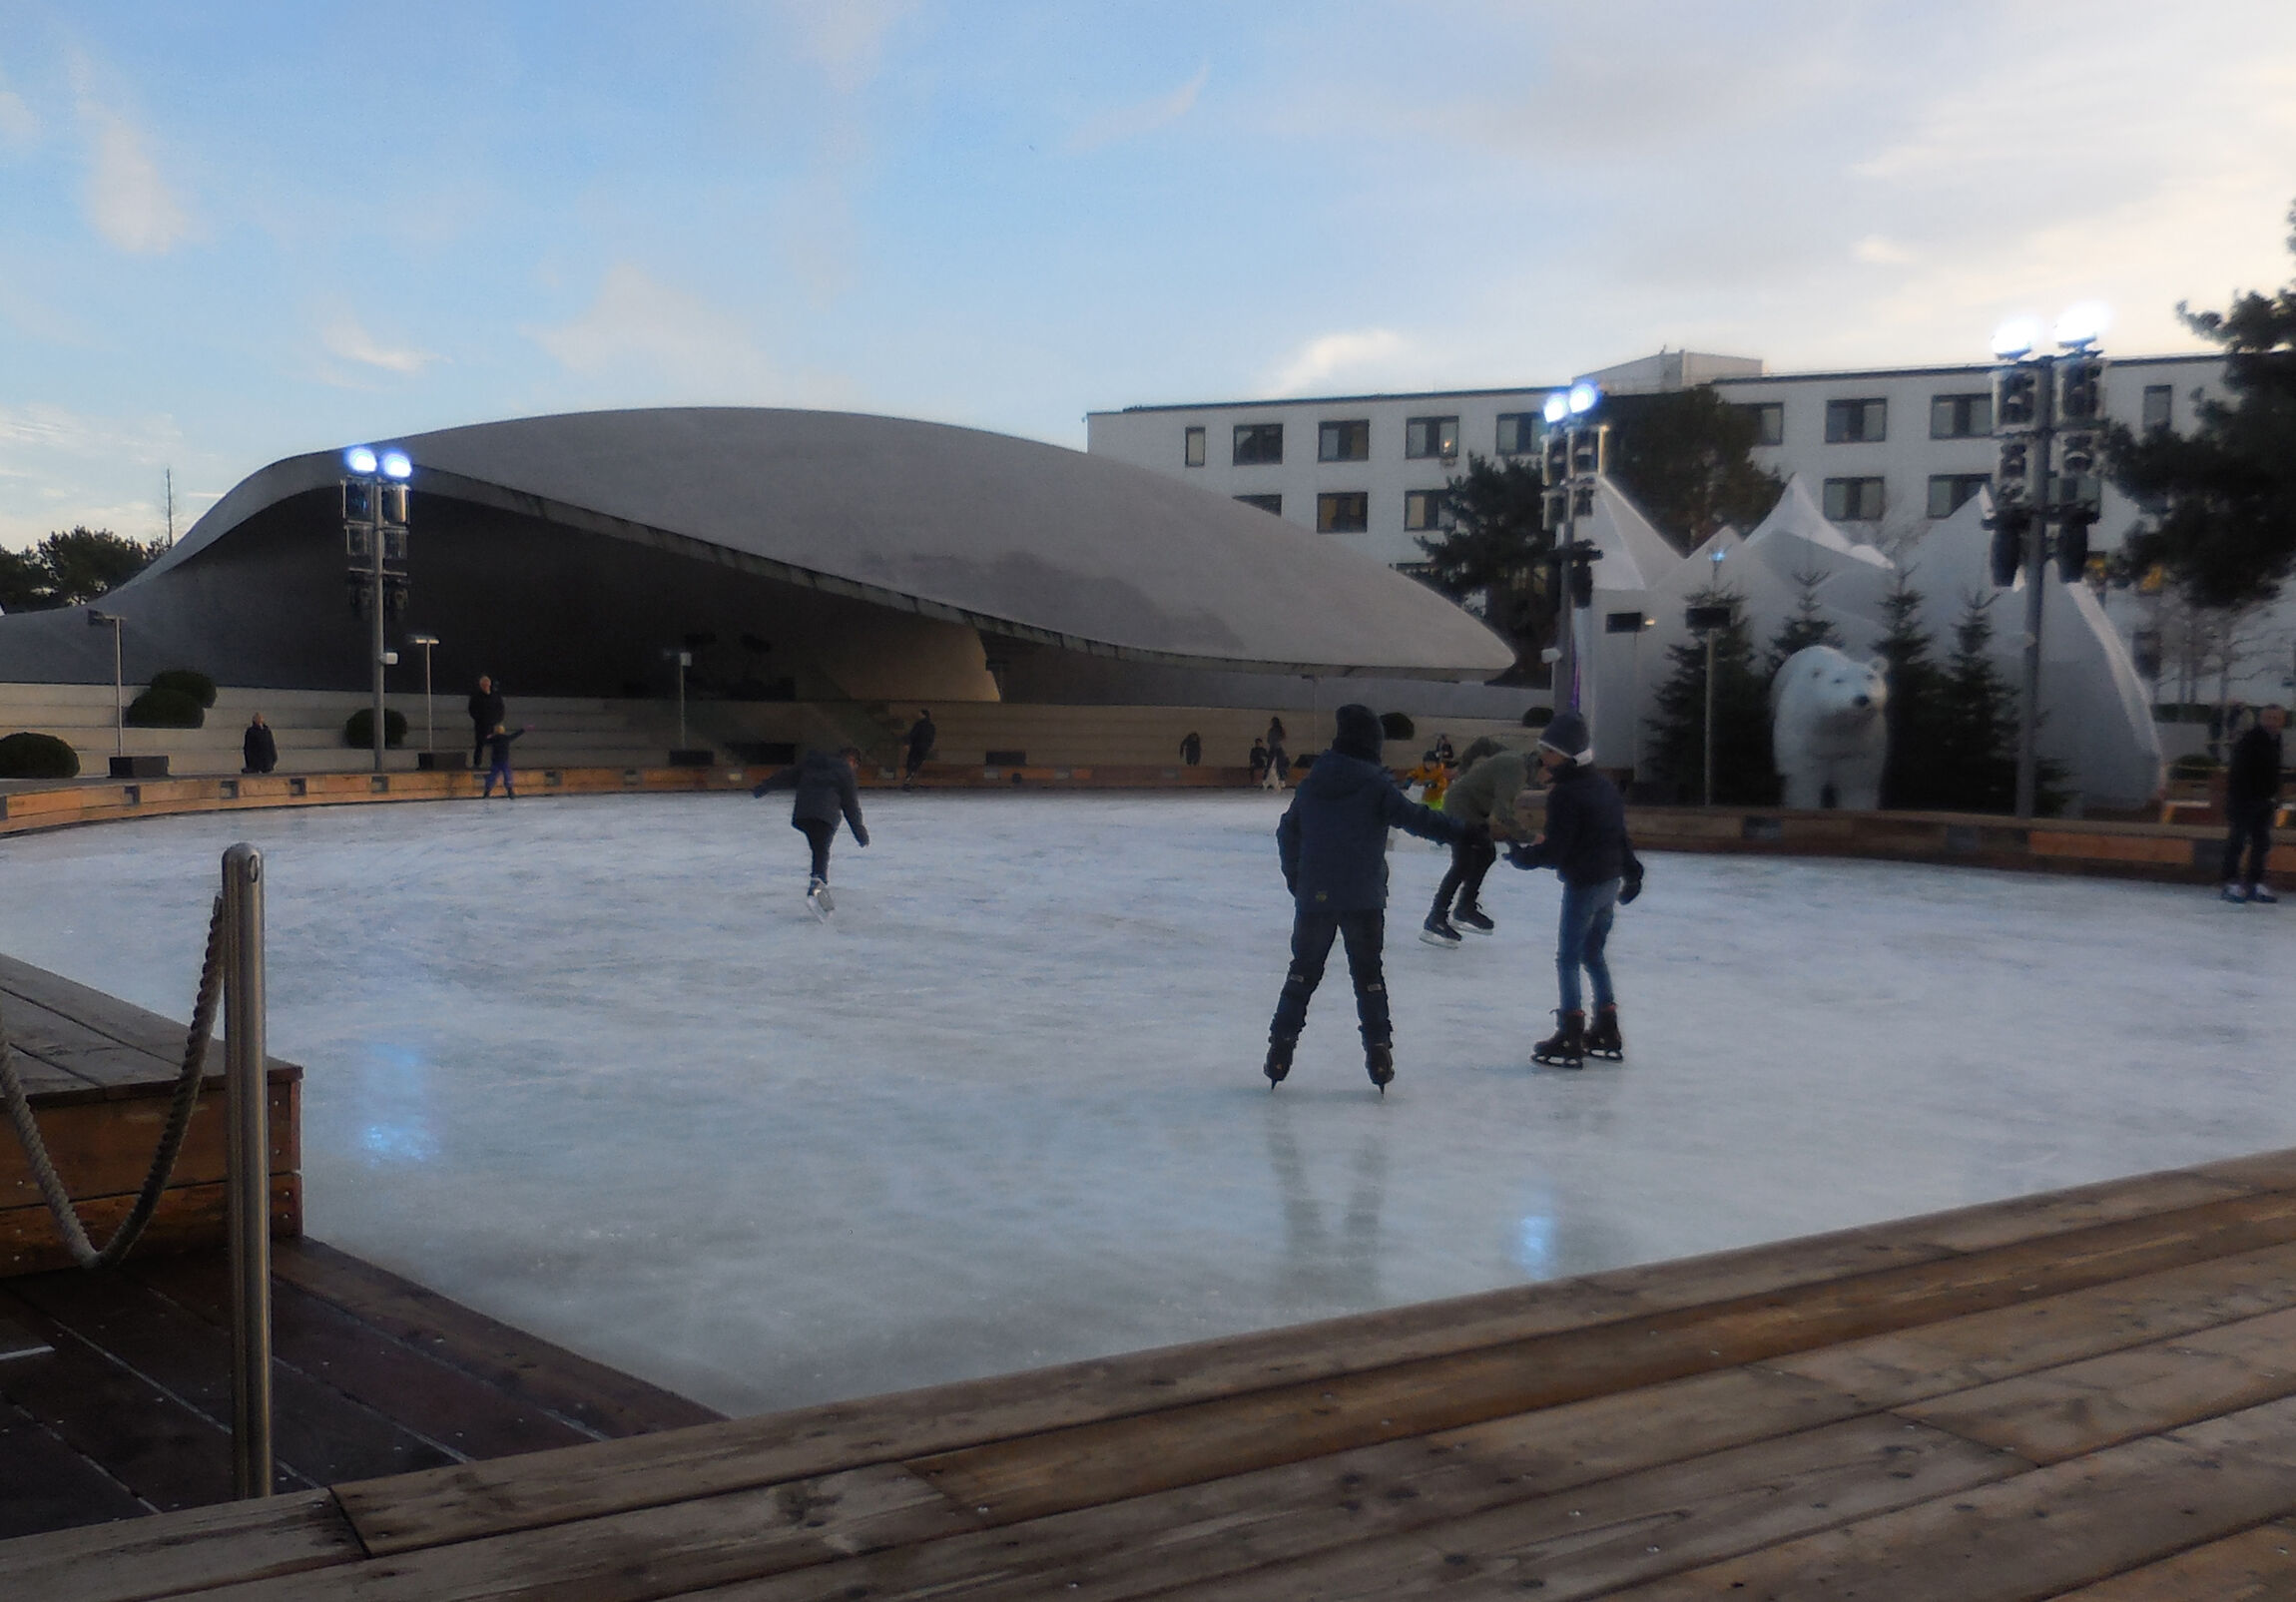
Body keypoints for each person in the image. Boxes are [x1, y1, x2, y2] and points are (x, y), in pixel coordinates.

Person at [1267, 704, 1473, 1092]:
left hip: (1316, 897)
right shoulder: (1375, 785)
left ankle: (1280, 1047)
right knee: (1369, 977)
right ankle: (1379, 1050)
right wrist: (1463, 832)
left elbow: (1287, 832)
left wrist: (1299, 880)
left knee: (1301, 974)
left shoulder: (1313, 783)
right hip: (1364, 898)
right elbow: (1418, 819)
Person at [1505, 711, 1643, 1068]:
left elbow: (1556, 851)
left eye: (1548, 751)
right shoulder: (1604, 787)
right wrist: (1633, 873)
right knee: (1593, 955)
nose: (1542, 757)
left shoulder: (1566, 794)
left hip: (1584, 885)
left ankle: (1571, 1031)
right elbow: (1620, 838)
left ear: (1566, 754)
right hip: (1608, 882)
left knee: (1568, 958)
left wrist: (1523, 858)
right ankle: (1607, 1027)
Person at [1426, 737, 1529, 945]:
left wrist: (1464, 768)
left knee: (1486, 853)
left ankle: (1465, 908)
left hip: (1470, 807)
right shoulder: (1517, 770)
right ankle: (1436, 918)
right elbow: (1502, 810)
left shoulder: (1512, 756)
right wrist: (1524, 837)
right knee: (1463, 863)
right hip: (1462, 808)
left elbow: (1483, 743)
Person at [754, 745, 870, 914]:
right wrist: (860, 833)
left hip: (803, 815)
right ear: (852, 760)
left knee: (819, 850)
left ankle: (819, 891)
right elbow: (850, 805)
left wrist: (763, 788)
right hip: (825, 817)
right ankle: (817, 894)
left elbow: (785, 776)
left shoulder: (811, 763)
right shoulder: (845, 771)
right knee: (821, 852)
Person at [2222, 703, 2285, 903]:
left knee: (2261, 843)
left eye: (2276, 718)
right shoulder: (2250, 740)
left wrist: (2274, 796)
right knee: (2237, 841)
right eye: (2268, 718)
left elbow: (2273, 771)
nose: (2271, 722)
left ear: (2282, 721)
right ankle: (2231, 881)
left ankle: (2254, 881)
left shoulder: (2275, 740)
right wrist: (2244, 798)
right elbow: (2238, 772)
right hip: (2244, 801)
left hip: (2265, 802)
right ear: (2261, 719)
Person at [479, 722, 527, 799]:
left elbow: (485, 742)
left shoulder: (494, 739)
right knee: (507, 775)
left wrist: (487, 737)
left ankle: (487, 792)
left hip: (495, 761)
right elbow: (515, 735)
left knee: (492, 776)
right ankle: (510, 792)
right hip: (504, 760)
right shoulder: (506, 738)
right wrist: (523, 729)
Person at [468, 676, 505, 770]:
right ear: (480, 685)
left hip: (493, 724)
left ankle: (496, 763)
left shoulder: (495, 696)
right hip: (481, 725)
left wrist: (496, 720)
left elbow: (501, 709)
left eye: (486, 684)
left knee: (496, 744)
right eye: (483, 685)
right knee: (479, 744)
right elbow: (472, 710)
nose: (485, 686)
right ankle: (477, 764)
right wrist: (480, 719)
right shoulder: (476, 696)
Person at [902, 710, 936, 790]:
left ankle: (908, 779)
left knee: (911, 763)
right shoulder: (931, 726)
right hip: (925, 747)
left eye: (919, 714)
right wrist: (929, 746)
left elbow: (912, 734)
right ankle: (910, 778)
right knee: (918, 763)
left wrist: (907, 743)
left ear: (923, 715)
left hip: (916, 746)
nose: (918, 715)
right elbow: (931, 738)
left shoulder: (918, 724)